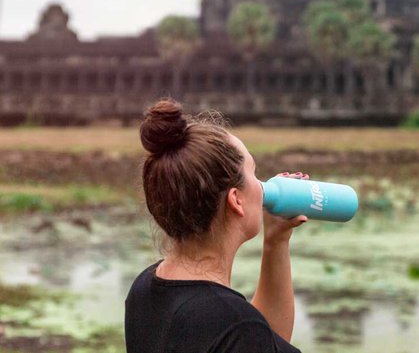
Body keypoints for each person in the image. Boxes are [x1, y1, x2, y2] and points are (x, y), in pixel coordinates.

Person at [125, 99, 307, 353]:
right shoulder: (238, 327)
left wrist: (276, 241)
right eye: (253, 173)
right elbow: (249, 338)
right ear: (236, 200)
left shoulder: (145, 289)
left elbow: (267, 341)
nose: (262, 186)